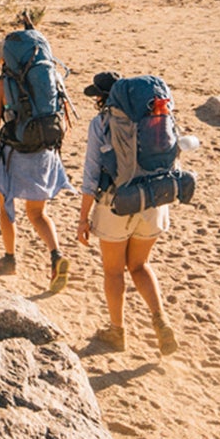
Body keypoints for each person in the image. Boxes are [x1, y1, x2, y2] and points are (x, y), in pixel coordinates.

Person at [74, 72, 180, 357]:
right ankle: (161, 320)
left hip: (116, 203)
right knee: (140, 266)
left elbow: (90, 175)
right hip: (154, 200)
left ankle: (116, 331)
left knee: (113, 270)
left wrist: (83, 218)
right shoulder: (155, 118)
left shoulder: (101, 124)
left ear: (104, 98)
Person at [0, 16, 71, 293]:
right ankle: (56, 256)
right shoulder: (52, 77)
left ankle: (9, 260)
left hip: (14, 154)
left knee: (7, 209)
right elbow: (64, 122)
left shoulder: (1, 86)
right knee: (38, 214)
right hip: (45, 152)